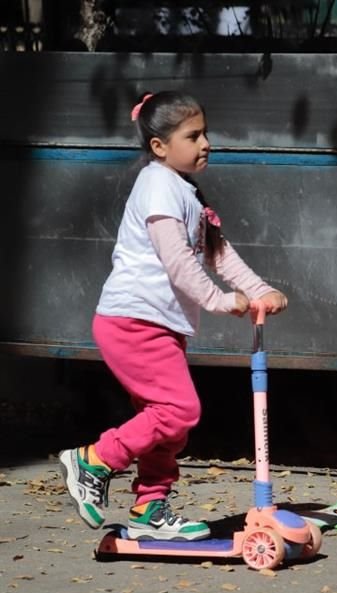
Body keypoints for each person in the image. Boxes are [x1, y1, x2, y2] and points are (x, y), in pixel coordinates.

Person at [58, 91, 288, 541]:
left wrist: (258, 289)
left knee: (165, 424)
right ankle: (94, 459)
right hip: (133, 320)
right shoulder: (158, 185)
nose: (206, 143)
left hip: (158, 324)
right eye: (193, 135)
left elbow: (217, 254)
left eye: (206, 133)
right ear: (160, 145)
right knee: (178, 410)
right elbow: (178, 260)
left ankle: (150, 506)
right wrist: (221, 301)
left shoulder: (182, 188)